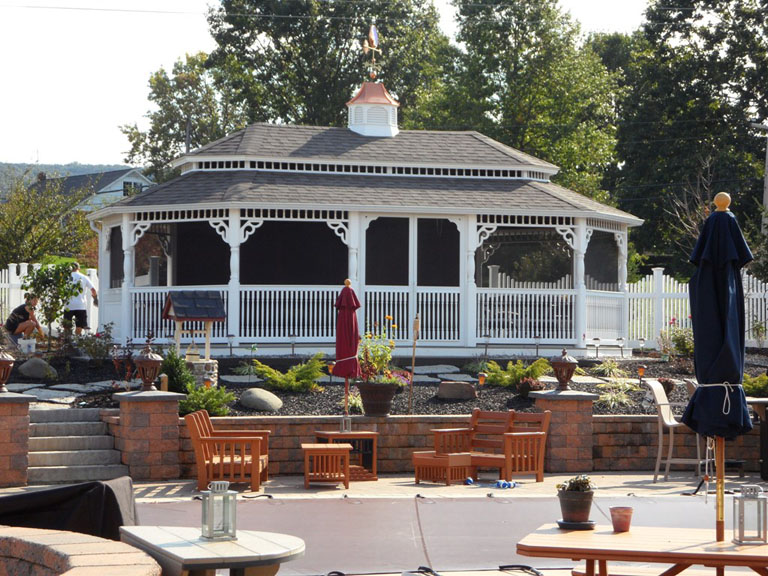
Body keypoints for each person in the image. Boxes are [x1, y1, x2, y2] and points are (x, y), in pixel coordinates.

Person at [64, 262, 97, 335]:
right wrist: (95, 298)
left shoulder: (66, 277)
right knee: (79, 325)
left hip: (68, 305)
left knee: (67, 326)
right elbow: (93, 290)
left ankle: (67, 342)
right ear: (79, 268)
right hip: (80, 305)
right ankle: (76, 339)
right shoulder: (84, 277)